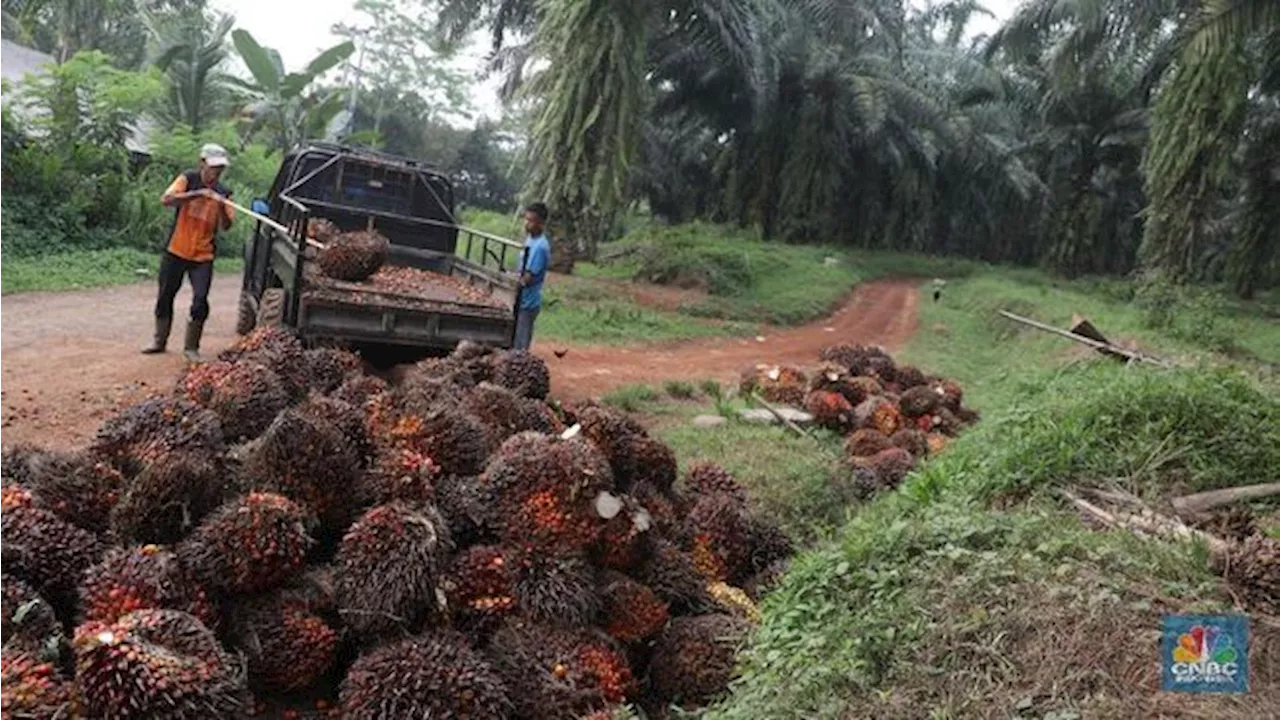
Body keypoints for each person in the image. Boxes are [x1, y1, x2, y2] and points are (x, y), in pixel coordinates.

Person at [142, 143, 235, 362]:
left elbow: (227, 226)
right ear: (202, 163)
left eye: (220, 169)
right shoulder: (188, 179)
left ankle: (191, 347)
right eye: (213, 167)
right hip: (176, 250)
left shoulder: (224, 192)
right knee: (165, 295)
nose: (216, 172)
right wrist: (196, 194)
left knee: (200, 299)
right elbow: (166, 200)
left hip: (203, 255)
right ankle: (159, 340)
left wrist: (221, 206)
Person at [514, 202, 551, 351]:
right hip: (521, 300)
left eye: (531, 221)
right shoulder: (530, 240)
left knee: (520, 346)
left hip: (527, 303)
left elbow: (528, 278)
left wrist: (511, 284)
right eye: (526, 220)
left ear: (541, 223)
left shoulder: (540, 247)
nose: (526, 224)